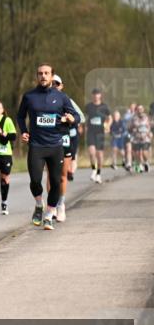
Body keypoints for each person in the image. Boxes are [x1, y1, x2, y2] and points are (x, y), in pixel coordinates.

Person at [16, 64, 80, 230]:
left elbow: (76, 116)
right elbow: (20, 116)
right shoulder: (29, 96)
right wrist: (24, 131)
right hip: (36, 145)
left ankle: (49, 215)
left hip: (55, 146)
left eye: (46, 73)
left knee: (56, 182)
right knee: (35, 181)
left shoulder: (61, 97)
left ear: (52, 76)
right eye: (40, 73)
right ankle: (39, 204)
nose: (43, 76)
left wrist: (71, 119)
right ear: (37, 76)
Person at [53, 75, 84, 222]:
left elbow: (79, 117)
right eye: (52, 83)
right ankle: (52, 206)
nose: (54, 86)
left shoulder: (66, 99)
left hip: (65, 137)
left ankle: (61, 204)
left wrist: (71, 119)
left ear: (61, 86)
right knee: (50, 175)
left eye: (57, 84)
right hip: (48, 138)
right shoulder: (42, 99)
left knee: (62, 174)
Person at [84, 88, 111, 183]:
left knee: (99, 154)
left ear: (100, 95)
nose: (96, 96)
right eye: (94, 94)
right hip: (91, 132)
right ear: (92, 95)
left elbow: (110, 118)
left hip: (100, 133)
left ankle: (99, 174)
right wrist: (84, 126)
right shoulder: (88, 106)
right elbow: (85, 117)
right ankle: (94, 170)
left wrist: (108, 126)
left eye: (97, 94)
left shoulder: (104, 106)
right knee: (92, 153)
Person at [128, 104, 151, 173]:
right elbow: (129, 128)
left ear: (143, 110)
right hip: (136, 138)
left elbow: (149, 127)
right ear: (136, 110)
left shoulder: (147, 117)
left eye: (141, 109)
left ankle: (146, 162)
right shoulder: (133, 118)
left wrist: (148, 133)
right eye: (138, 109)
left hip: (145, 138)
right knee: (137, 153)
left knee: (144, 152)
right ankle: (140, 165)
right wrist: (132, 130)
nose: (140, 110)